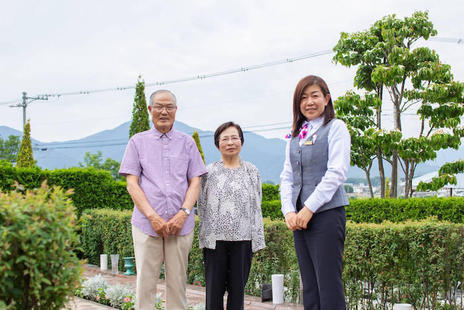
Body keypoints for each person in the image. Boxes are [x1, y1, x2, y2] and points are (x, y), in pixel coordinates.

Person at [119, 89, 207, 310]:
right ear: (150, 110)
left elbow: (195, 182)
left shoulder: (187, 142)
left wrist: (183, 213)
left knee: (177, 285)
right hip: (146, 225)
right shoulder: (137, 142)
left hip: (181, 225)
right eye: (159, 106)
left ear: (176, 111)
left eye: (169, 107)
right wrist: (152, 217)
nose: (164, 111)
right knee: (145, 283)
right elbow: (132, 183)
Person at [280, 75, 351, 310]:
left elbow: (336, 173)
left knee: (328, 285)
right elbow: (287, 176)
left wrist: (309, 208)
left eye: (315, 96)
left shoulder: (335, 127)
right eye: (303, 97)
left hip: (326, 215)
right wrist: (289, 211)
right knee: (309, 284)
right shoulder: (295, 134)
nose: (309, 102)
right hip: (300, 218)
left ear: (326, 98)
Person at [197, 121, 265, 310]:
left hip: (243, 240)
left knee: (238, 293)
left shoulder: (252, 171)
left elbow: (256, 205)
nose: (230, 142)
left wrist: (256, 238)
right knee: (213, 292)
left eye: (234, 137)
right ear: (217, 143)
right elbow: (201, 204)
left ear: (241, 141)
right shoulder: (208, 172)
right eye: (224, 138)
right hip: (214, 241)